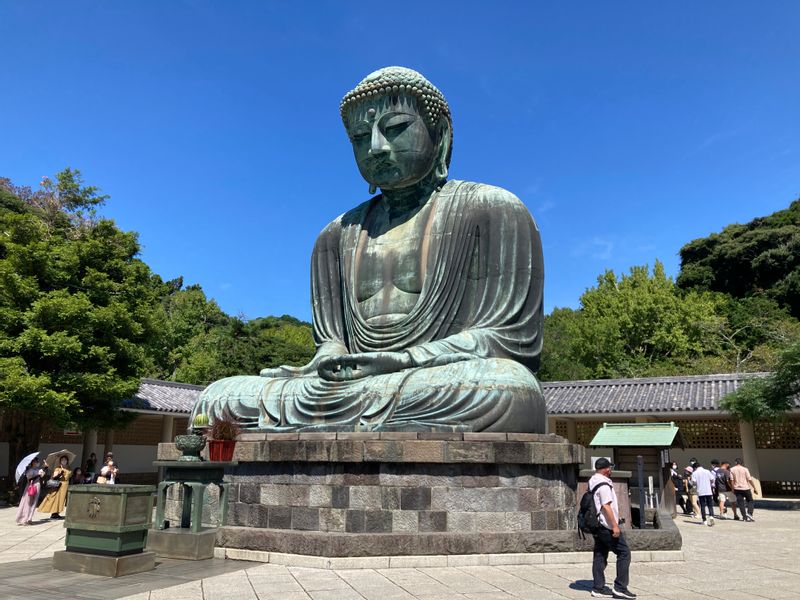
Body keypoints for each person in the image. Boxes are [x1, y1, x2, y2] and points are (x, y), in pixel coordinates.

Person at [191, 66, 546, 433]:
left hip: (432, 378)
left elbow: (508, 339)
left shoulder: (492, 209)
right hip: (349, 387)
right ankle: (357, 421)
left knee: (508, 389)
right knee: (217, 399)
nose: (376, 147)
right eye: (360, 137)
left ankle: (342, 422)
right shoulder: (335, 235)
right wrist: (327, 358)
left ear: (439, 134)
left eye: (394, 128)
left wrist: (403, 359)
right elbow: (332, 340)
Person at [588, 458, 636, 599]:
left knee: (600, 554)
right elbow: (606, 506)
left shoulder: (593, 480)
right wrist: (615, 526)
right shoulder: (603, 485)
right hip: (606, 526)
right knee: (624, 553)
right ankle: (620, 587)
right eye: (610, 467)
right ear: (606, 469)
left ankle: (598, 587)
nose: (611, 470)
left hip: (597, 524)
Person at [38, 454, 72, 519]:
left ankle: (57, 513)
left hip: (65, 485)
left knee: (62, 500)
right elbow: (54, 477)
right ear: (60, 461)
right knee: (56, 499)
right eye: (62, 460)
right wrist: (60, 474)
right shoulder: (58, 468)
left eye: (65, 460)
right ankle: (54, 513)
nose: (64, 461)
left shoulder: (69, 468)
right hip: (59, 485)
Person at [16, 457, 44, 525]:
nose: (36, 463)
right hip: (30, 486)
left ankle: (29, 518)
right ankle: (24, 519)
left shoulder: (39, 469)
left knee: (34, 503)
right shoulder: (29, 470)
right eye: (35, 462)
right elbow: (30, 479)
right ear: (32, 463)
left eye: (37, 461)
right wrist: (38, 475)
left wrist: (44, 469)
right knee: (28, 502)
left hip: (37, 485)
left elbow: (42, 477)